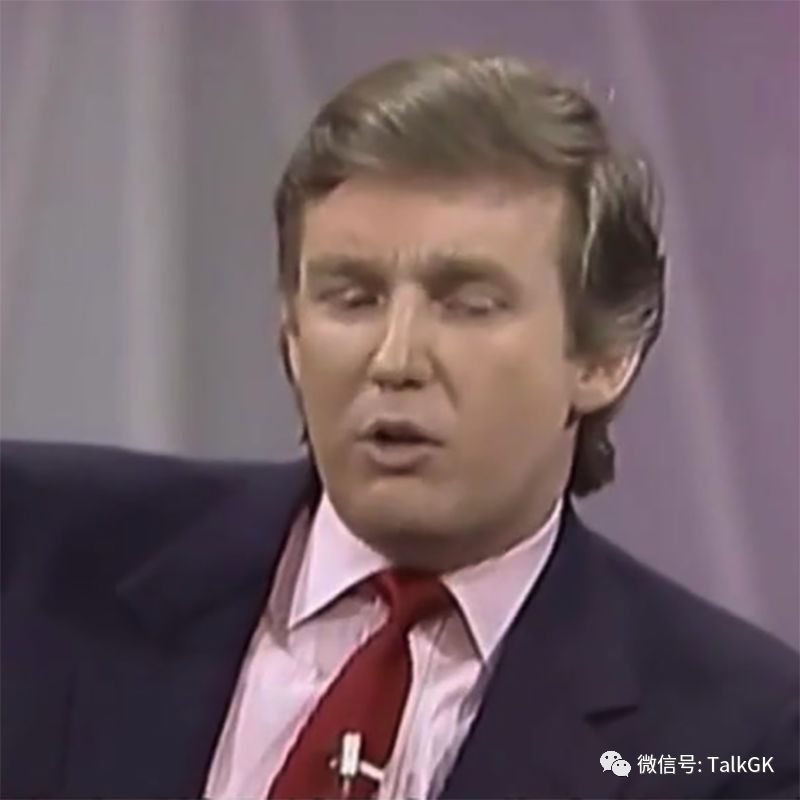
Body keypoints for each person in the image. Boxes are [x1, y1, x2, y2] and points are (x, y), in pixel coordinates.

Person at [1, 52, 797, 800]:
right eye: (351, 298)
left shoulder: (735, 734)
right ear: (291, 333)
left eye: (469, 304)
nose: (395, 358)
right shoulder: (31, 552)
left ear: (603, 357)